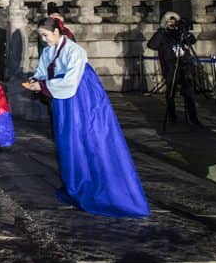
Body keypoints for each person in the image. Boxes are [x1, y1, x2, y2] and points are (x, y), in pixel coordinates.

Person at [23, 17, 149, 218]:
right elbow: (42, 72)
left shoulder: (75, 51)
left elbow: (71, 81)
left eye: (46, 36)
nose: (44, 40)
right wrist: (35, 79)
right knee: (67, 142)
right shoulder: (48, 51)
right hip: (62, 98)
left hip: (83, 98)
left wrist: (43, 86)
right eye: (42, 37)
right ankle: (75, 184)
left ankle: (105, 187)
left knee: (88, 138)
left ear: (57, 32)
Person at [147, 11, 201, 126]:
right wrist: (162, 29)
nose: (173, 23)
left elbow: (192, 41)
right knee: (171, 93)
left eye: (174, 21)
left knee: (189, 93)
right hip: (170, 67)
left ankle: (192, 118)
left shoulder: (181, 33)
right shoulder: (163, 34)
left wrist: (185, 31)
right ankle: (172, 116)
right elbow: (152, 45)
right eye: (170, 21)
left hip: (184, 66)